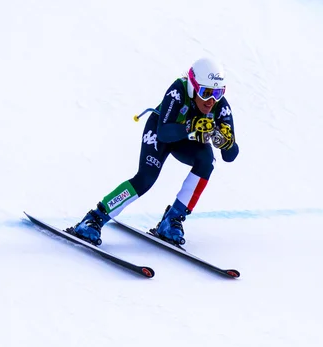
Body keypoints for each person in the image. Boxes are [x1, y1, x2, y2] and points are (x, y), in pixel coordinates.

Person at [66, 57, 239, 247]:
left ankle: (173, 219)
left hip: (184, 140)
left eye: (218, 93)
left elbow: (229, 156)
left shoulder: (220, 106)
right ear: (192, 86)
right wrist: (191, 125)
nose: (211, 101)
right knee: (145, 180)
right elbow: (164, 133)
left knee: (208, 160)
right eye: (206, 93)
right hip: (161, 131)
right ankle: (94, 219)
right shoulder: (178, 90)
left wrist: (227, 143)